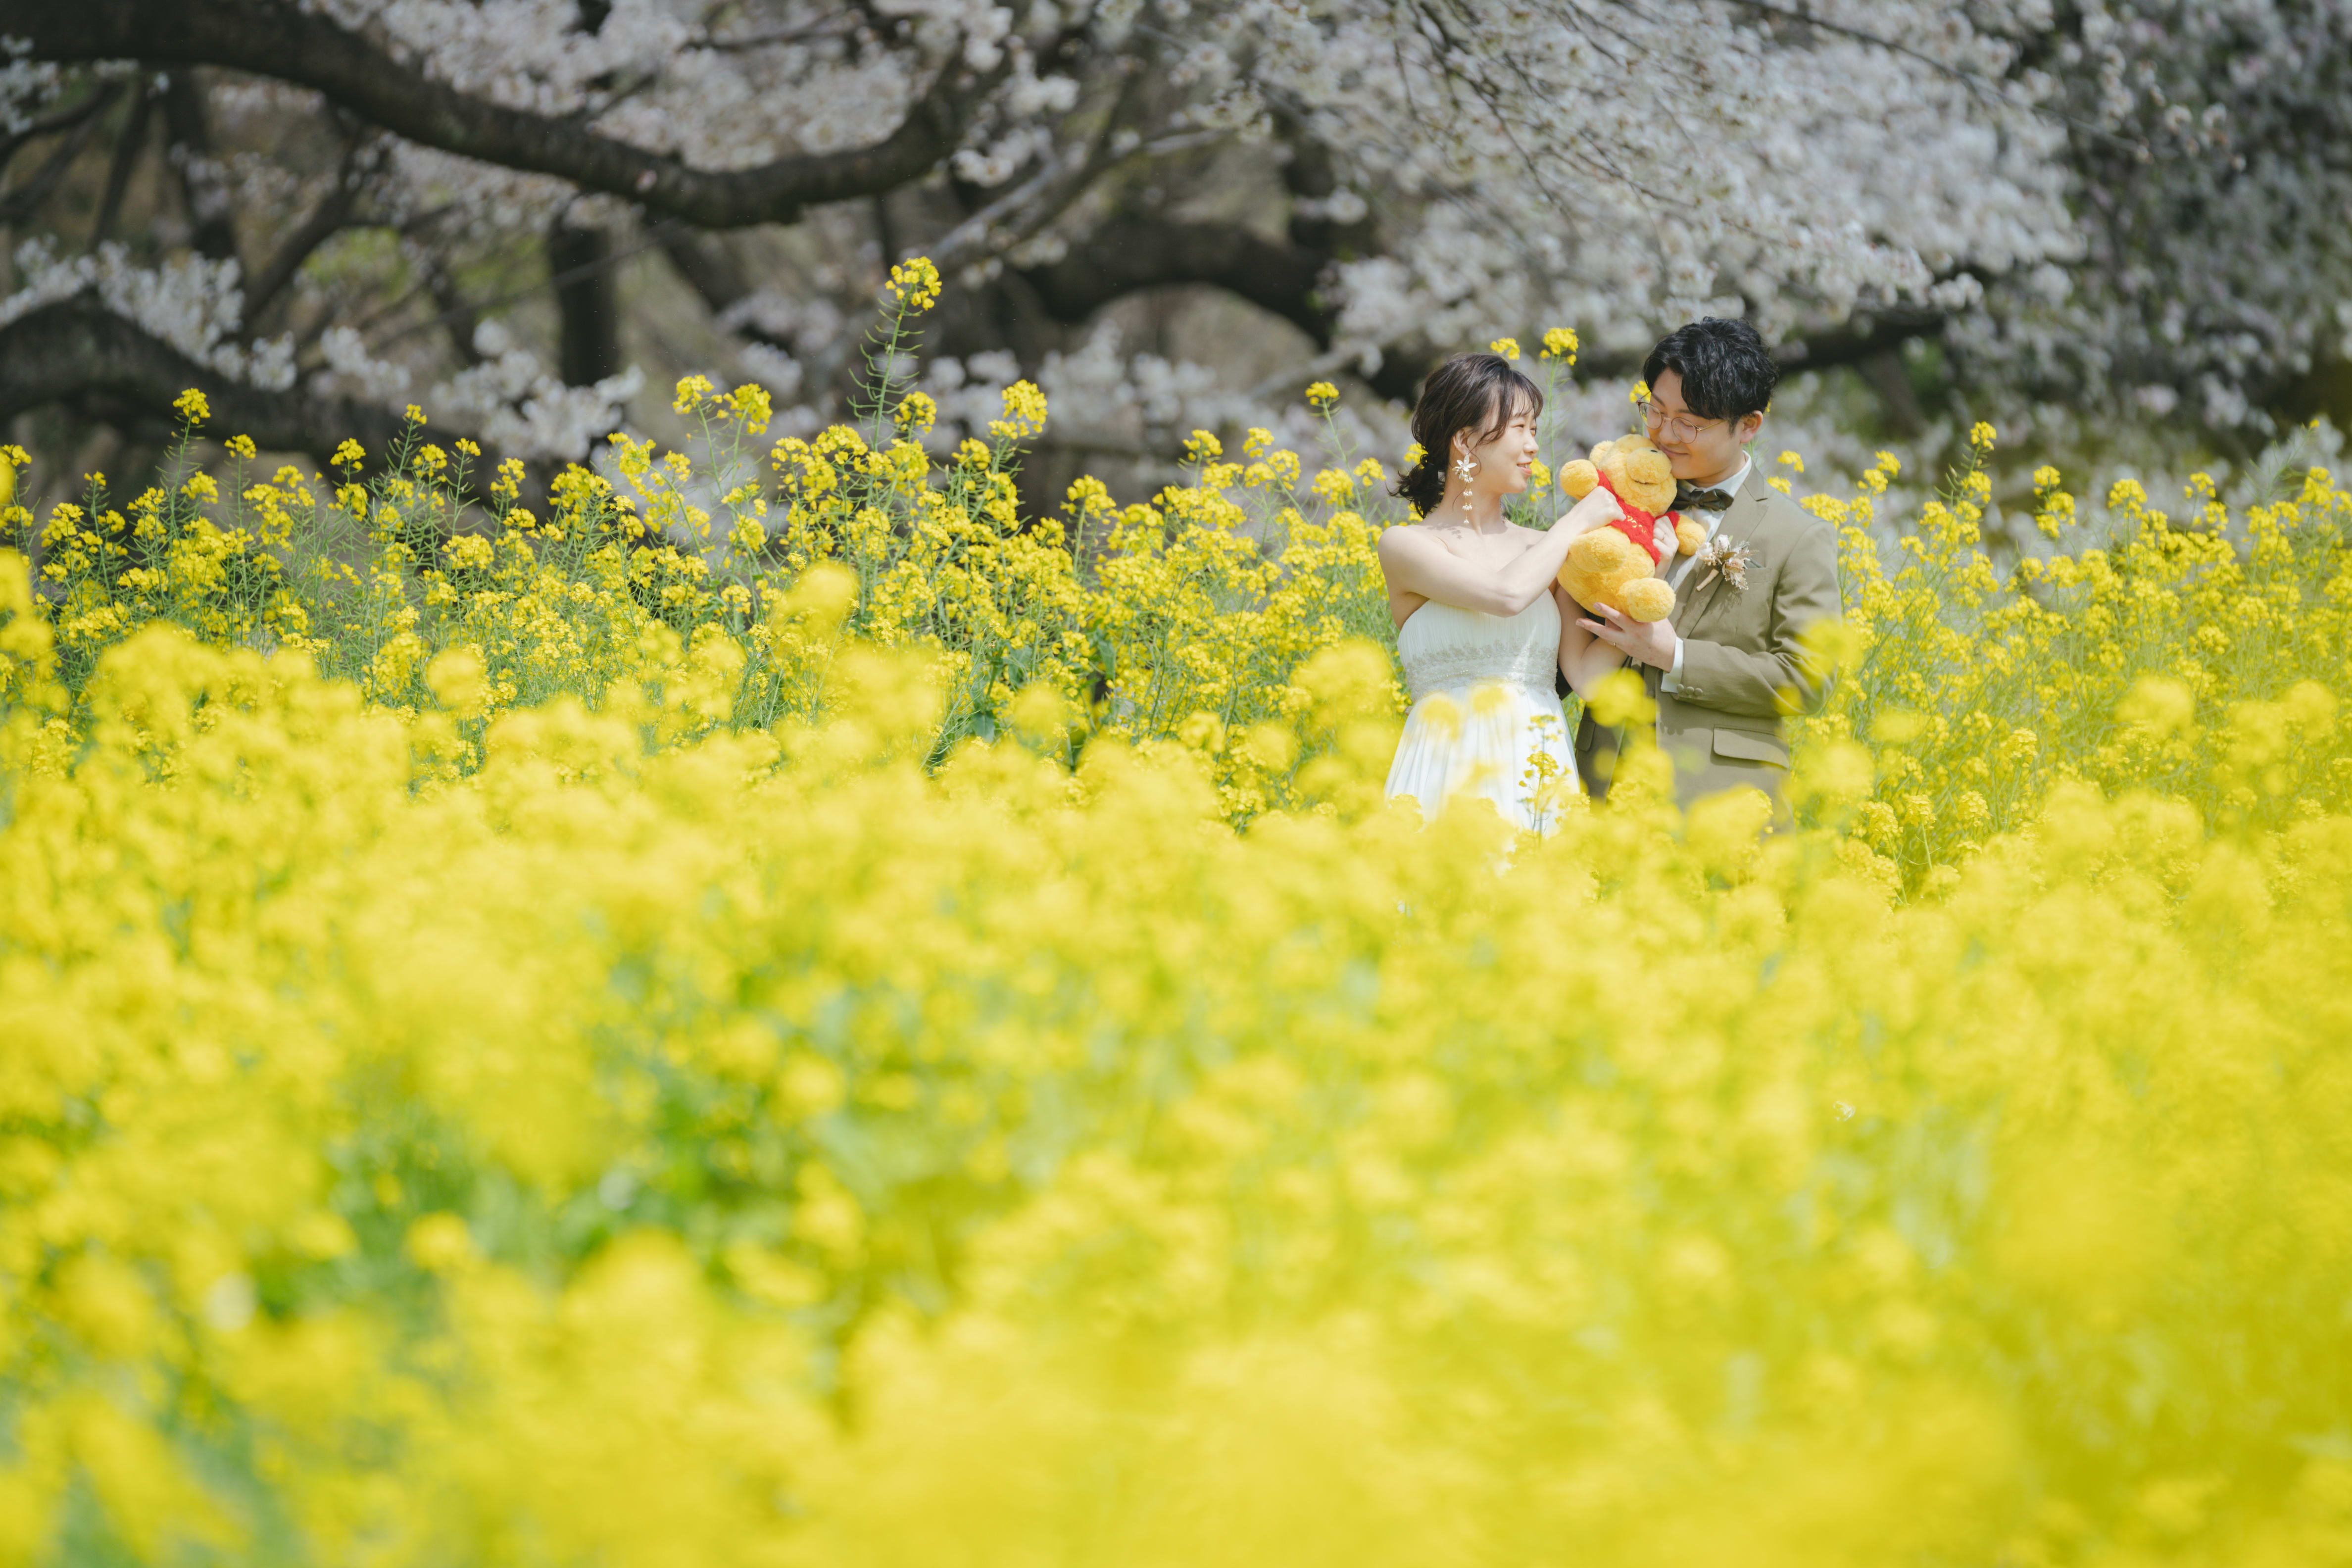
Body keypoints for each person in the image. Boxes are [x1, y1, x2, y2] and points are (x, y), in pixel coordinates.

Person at [1564, 318, 1842, 819]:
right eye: (1655, 410)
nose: (1664, 434)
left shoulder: (1799, 536)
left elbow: (1808, 679)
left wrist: (1676, 657)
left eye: (1689, 422)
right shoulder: (1615, 499)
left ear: (1749, 426)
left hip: (1723, 807)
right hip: (1603, 793)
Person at [1375, 351, 1633, 832]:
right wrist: (1577, 520)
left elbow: (1587, 678)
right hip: (1441, 772)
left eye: (1535, 430)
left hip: (1537, 769)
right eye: (1519, 428)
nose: (1533, 446)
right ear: (1465, 440)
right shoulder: (1407, 546)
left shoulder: (1546, 551)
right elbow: (1506, 596)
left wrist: (1644, 587)